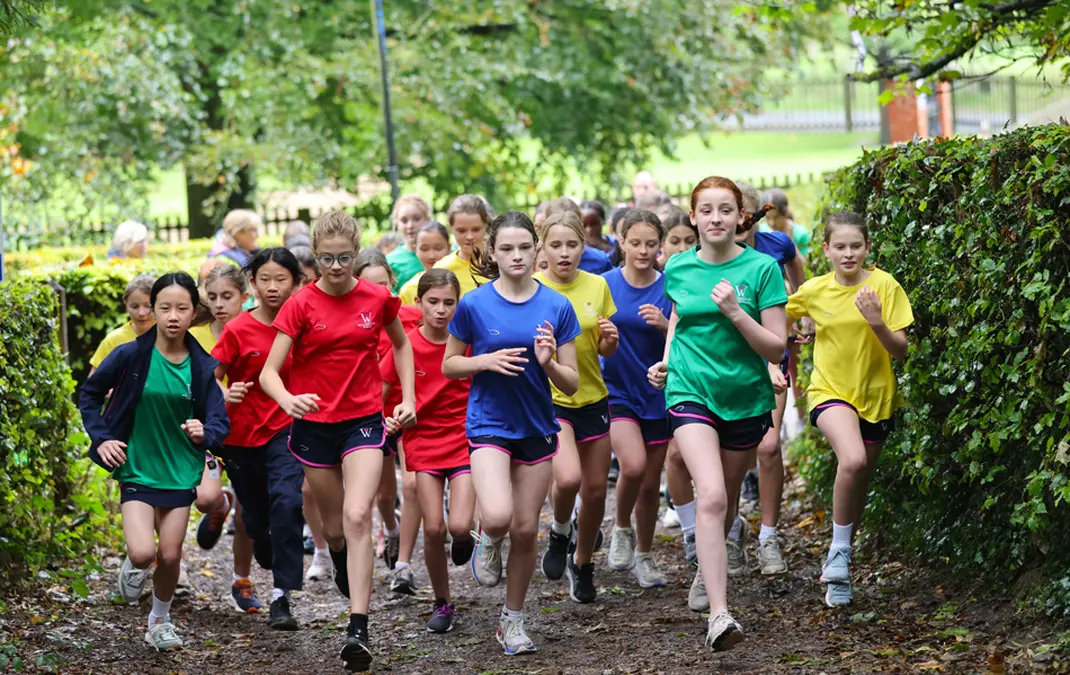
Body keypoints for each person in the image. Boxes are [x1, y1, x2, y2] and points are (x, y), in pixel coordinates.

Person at [259, 211, 416, 672]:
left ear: (356, 252)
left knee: (357, 514)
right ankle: (343, 558)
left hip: (363, 420)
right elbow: (269, 372)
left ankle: (358, 628)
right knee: (333, 530)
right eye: (326, 259)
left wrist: (409, 397)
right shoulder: (300, 304)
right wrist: (288, 399)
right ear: (315, 256)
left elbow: (401, 345)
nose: (335, 267)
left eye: (344, 257)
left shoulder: (377, 297)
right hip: (314, 425)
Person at [647, 176, 788, 651]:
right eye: (705, 210)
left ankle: (709, 567)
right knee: (709, 495)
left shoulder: (763, 268)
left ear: (740, 217)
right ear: (693, 217)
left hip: (745, 397)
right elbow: (679, 320)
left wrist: (735, 312)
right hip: (690, 389)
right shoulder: (678, 266)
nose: (715, 218)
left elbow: (776, 348)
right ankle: (720, 614)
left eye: (725, 210)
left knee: (724, 500)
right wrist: (667, 360)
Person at [442, 211, 580, 655]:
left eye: (524, 247)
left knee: (524, 530)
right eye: (507, 248)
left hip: (537, 425)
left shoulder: (557, 306)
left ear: (536, 249)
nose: (517, 256)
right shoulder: (474, 304)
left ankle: (512, 620)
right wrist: (484, 361)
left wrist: (548, 362)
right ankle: (487, 537)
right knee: (499, 516)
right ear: (493, 252)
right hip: (489, 423)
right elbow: (449, 364)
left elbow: (571, 383)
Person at [79, 272, 229, 651]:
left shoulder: (202, 366)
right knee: (144, 552)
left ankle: (159, 621)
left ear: (194, 312)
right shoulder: (130, 355)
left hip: (180, 469)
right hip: (137, 466)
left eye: (182, 308)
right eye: (165, 308)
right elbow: (89, 394)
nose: (173, 316)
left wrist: (205, 432)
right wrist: (103, 438)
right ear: (155, 310)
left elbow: (219, 419)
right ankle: (133, 566)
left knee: (170, 554)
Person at [785, 211, 912, 608]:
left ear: (867, 247)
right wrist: (796, 326)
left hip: (876, 397)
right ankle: (839, 555)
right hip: (829, 391)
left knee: (859, 481)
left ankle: (839, 568)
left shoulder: (885, 286)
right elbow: (778, 316)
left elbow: (901, 350)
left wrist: (876, 322)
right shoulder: (814, 290)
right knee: (853, 460)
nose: (848, 253)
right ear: (826, 250)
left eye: (856, 246)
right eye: (840, 246)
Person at [211, 248, 308, 630]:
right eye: (264, 279)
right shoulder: (238, 328)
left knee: (287, 500)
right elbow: (211, 377)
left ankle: (282, 596)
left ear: (296, 283)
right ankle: (264, 541)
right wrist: (226, 394)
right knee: (254, 518)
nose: (272, 287)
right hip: (240, 438)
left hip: (288, 429)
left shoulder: (305, 324)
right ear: (252, 284)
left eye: (281, 279)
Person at [381, 269, 476, 633]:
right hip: (422, 441)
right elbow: (380, 390)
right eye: (433, 302)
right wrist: (387, 419)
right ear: (418, 303)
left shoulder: (468, 342)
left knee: (459, 525)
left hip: (464, 439)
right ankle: (443, 602)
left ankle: (466, 537)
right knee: (434, 528)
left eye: (449, 303)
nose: (440, 310)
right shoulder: (405, 345)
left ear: (458, 305)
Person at [534, 211, 618, 604]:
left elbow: (604, 348)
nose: (564, 253)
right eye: (556, 245)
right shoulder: (534, 289)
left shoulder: (598, 285)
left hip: (593, 396)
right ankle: (559, 530)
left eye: (572, 244)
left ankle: (582, 562)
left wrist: (610, 341)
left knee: (597, 490)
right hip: (551, 399)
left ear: (584, 246)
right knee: (568, 479)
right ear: (543, 248)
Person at [727, 180, 806, 576]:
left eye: (746, 213)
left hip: (773, 357)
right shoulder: (712, 255)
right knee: (730, 457)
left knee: (769, 446)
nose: (739, 220)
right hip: (727, 363)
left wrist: (805, 315)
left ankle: (769, 537)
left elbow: (801, 284)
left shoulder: (778, 246)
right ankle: (731, 527)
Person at [602, 210, 673, 588]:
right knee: (632, 466)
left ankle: (645, 554)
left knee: (649, 483)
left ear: (660, 245)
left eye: (650, 244)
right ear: (621, 242)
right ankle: (621, 528)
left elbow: (685, 339)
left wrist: (665, 325)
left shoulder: (670, 287)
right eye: (635, 243)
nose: (643, 251)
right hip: (616, 389)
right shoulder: (605, 285)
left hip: (658, 392)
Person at [188, 264, 261, 614]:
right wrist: (221, 394)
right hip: (207, 434)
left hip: (250, 432)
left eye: (227, 297)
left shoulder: (257, 328)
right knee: (204, 499)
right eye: (212, 296)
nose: (219, 304)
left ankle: (241, 581)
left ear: (244, 296)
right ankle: (219, 506)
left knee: (248, 514)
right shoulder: (194, 335)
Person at [352, 250, 422, 592]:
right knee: (384, 493)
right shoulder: (350, 322)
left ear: (392, 283)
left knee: (412, 485)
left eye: (383, 284)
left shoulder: (412, 317)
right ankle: (391, 531)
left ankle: (404, 566)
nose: (378, 291)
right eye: (370, 285)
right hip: (370, 416)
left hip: (409, 414)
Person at [89, 274, 156, 375]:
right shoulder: (114, 340)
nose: (141, 313)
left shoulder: (172, 337)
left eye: (148, 306)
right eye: (134, 306)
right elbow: (94, 379)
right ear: (126, 306)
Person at [432, 194, 494, 297]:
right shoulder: (441, 269)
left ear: (486, 226)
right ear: (451, 228)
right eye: (461, 231)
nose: (469, 236)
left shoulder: (501, 265)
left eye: (476, 230)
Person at [544, 198, 612, 275]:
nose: (564, 253)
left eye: (572, 224)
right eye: (555, 246)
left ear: (581, 225)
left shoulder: (599, 260)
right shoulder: (535, 260)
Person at [385, 194, 433, 291]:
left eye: (416, 219)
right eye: (404, 221)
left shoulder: (446, 254)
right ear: (397, 224)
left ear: (428, 219)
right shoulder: (390, 262)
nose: (410, 225)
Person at [398, 222, 452, 304]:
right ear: (415, 249)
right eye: (424, 249)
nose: (431, 256)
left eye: (438, 248)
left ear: (449, 248)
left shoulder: (463, 276)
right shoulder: (408, 290)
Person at [761, 188, 812, 260]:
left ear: (785, 213)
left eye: (776, 217)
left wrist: (791, 241)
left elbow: (805, 265)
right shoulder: (761, 232)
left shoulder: (801, 234)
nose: (772, 223)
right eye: (768, 218)